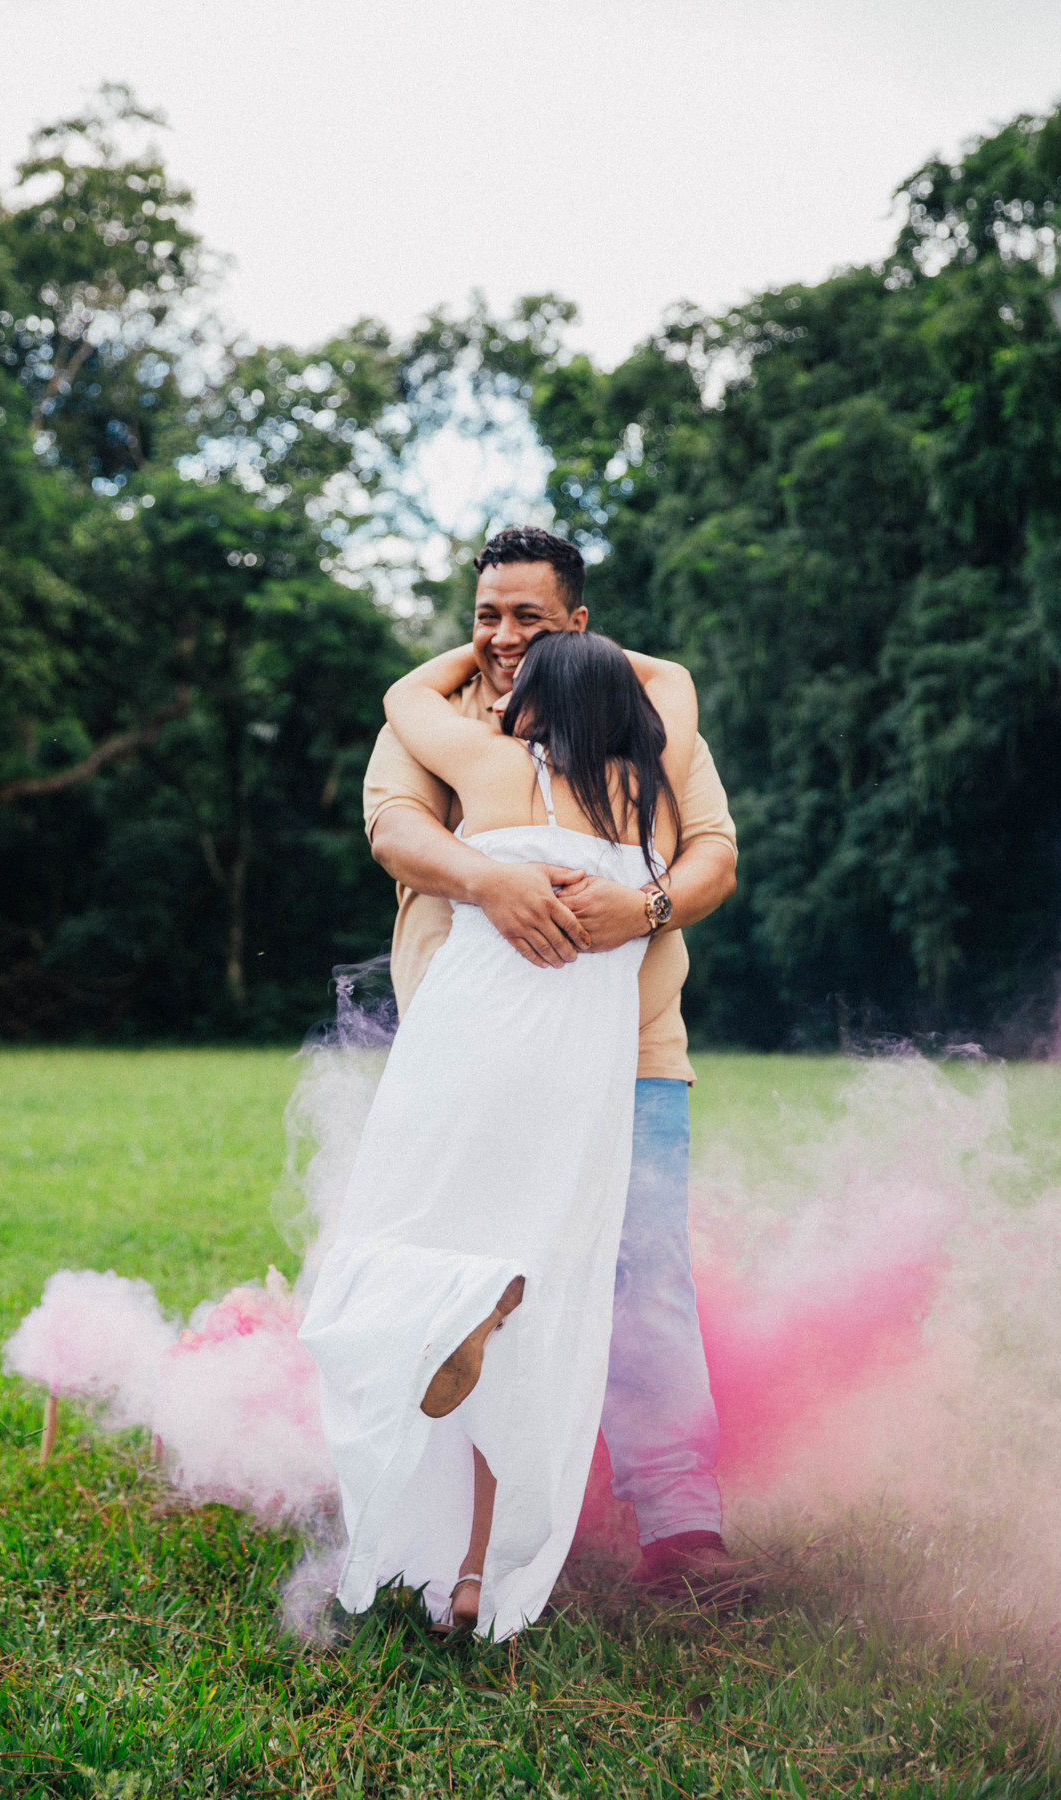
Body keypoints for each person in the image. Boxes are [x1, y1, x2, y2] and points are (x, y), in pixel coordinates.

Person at [362, 527, 745, 1599]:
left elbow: (713, 851)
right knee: (472, 1267)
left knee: (640, 1276)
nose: (500, 637)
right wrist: (491, 881)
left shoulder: (640, 729)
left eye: (528, 618)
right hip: (472, 1050)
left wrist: (646, 906)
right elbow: (393, 830)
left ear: (580, 624)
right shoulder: (460, 727)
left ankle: (679, 1525)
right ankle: (455, 1537)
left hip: (634, 1052)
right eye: (484, 615)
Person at [299, 629, 699, 1639]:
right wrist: (585, 647)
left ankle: (447, 1319)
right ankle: (476, 1571)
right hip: (582, 1071)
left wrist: (482, 647)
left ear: (533, 705)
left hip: (465, 1042)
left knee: (392, 1232)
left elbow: (404, 695)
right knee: (539, 1285)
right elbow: (673, 680)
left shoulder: (489, 763)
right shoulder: (650, 795)